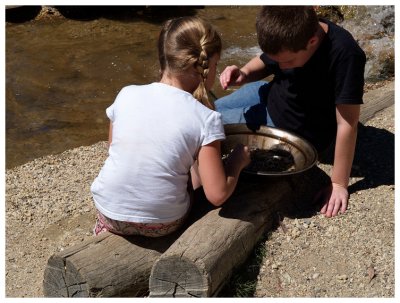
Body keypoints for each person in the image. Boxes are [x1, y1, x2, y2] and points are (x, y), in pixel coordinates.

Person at [90, 16, 251, 237]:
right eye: (215, 65)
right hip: (163, 223)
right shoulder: (206, 117)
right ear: (203, 67)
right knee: (198, 182)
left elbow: (114, 149)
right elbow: (217, 194)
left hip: (108, 211)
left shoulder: (126, 93)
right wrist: (236, 162)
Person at [215, 6, 366, 218]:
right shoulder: (297, 30)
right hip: (267, 93)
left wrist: (338, 183)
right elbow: (266, 59)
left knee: (207, 126)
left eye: (287, 62)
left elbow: (347, 123)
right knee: (207, 110)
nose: (282, 66)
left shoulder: (346, 55)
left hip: (290, 124)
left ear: (312, 42)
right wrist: (244, 73)